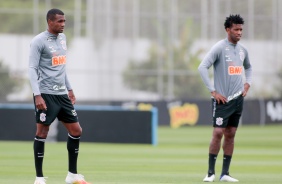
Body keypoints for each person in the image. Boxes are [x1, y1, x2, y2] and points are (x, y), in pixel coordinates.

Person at [28, 8, 91, 184]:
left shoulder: (63, 39)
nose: (63, 24)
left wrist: (69, 89)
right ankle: (39, 178)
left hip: (62, 93)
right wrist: (37, 95)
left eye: (64, 21)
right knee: (42, 132)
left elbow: (60, 67)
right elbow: (32, 69)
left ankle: (72, 175)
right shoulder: (38, 41)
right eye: (60, 21)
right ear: (50, 22)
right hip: (46, 94)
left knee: (76, 130)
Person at [198, 14, 252, 182]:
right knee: (218, 132)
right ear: (227, 29)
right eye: (236, 29)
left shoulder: (243, 50)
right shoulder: (220, 47)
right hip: (222, 100)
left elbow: (248, 67)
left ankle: (225, 174)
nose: (239, 32)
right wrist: (213, 92)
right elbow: (202, 67)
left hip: (238, 100)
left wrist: (247, 83)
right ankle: (210, 173)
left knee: (231, 133)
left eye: (241, 29)